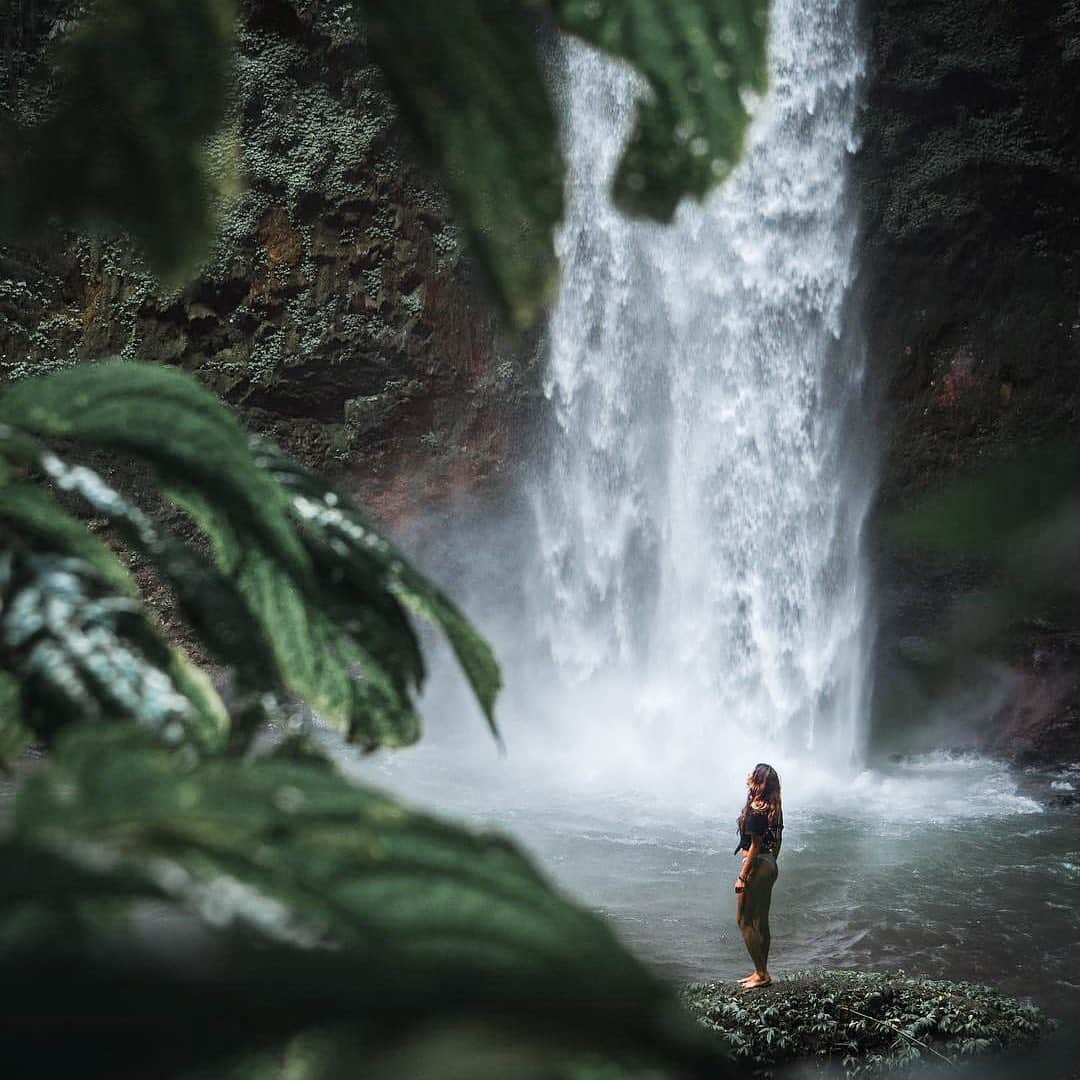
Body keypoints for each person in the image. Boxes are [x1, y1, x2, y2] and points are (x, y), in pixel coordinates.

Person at [733, 763, 783, 989]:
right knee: (761, 921)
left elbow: (754, 846)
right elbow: (778, 839)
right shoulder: (774, 806)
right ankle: (760, 971)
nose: (748, 775)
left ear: (759, 781)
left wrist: (743, 877)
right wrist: (770, 863)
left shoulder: (757, 806)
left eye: (752, 774)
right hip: (770, 864)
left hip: (756, 865)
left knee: (743, 920)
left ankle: (761, 974)